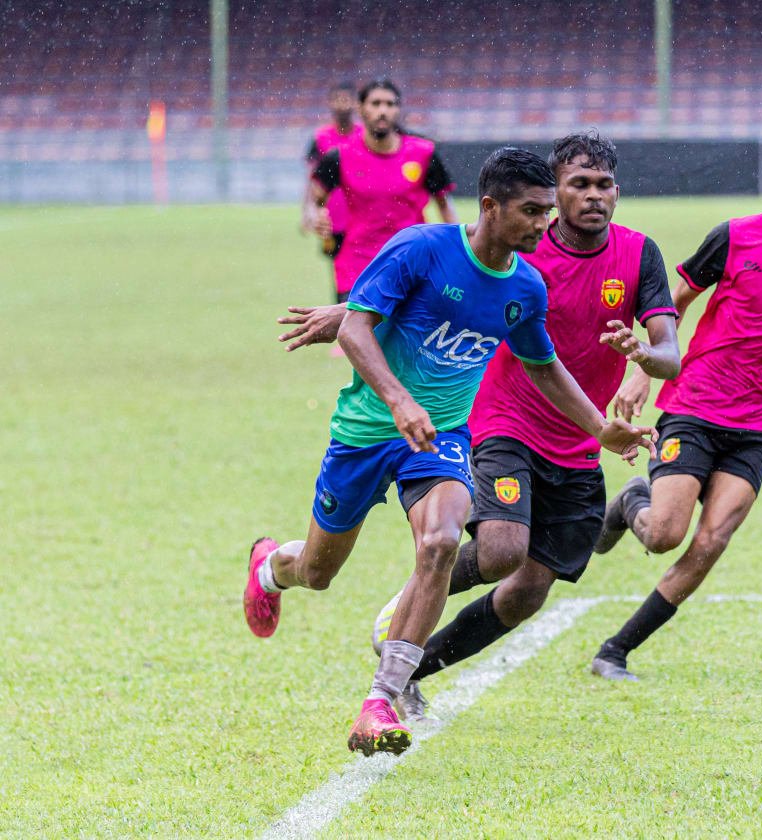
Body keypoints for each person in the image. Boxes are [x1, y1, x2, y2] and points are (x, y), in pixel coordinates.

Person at [243, 148, 656, 757]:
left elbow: (543, 365)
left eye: (547, 211)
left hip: (442, 439)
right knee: (318, 572)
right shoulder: (421, 248)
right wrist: (399, 402)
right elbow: (355, 328)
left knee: (439, 542)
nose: (544, 223)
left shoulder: (525, 286)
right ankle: (270, 568)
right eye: (531, 211)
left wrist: (600, 428)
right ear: (490, 207)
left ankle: (382, 699)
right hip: (364, 433)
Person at [589, 127, 762, 682]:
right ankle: (631, 501)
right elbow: (673, 304)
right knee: (664, 535)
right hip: (696, 404)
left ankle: (615, 651)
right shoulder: (734, 237)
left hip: (760, 423)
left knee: (711, 541)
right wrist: (642, 372)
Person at [310, 78, 457, 307]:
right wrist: (319, 215)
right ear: (361, 108)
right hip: (358, 265)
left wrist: (455, 249)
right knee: (354, 328)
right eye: (376, 103)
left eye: (390, 104)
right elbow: (317, 195)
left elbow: (444, 204)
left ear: (398, 110)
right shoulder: (340, 155)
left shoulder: (423, 153)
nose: (383, 111)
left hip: (412, 263)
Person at [300, 81, 361, 282]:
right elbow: (312, 179)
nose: (342, 104)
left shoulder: (365, 136)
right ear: (330, 103)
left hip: (361, 214)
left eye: (346, 100)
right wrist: (308, 211)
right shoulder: (321, 137)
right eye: (338, 100)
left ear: (356, 103)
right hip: (333, 217)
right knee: (339, 269)